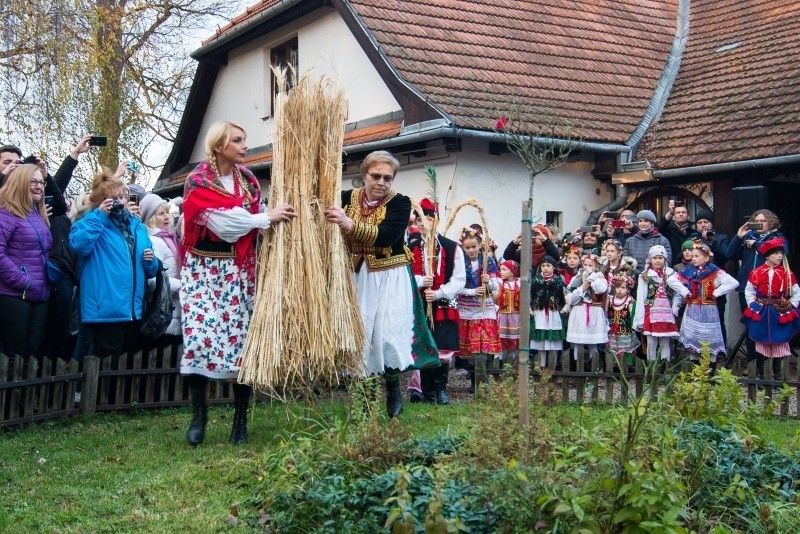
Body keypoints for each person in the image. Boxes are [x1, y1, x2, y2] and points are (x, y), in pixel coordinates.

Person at [179, 121, 296, 445]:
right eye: (238, 140)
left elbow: (247, 223)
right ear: (219, 146)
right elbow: (224, 225)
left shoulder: (248, 182)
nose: (245, 146)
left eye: (244, 140)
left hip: (238, 272)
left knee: (241, 346)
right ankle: (199, 416)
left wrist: (264, 218)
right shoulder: (198, 180)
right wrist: (262, 218)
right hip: (203, 270)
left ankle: (240, 422)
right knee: (200, 340)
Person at [325, 150, 437, 417]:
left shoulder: (400, 203)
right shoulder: (344, 198)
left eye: (388, 177)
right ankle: (364, 397)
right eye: (376, 176)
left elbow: (387, 235)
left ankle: (393, 387)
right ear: (364, 175)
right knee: (361, 333)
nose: (382, 182)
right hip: (356, 274)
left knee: (387, 334)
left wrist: (349, 224)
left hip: (391, 274)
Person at [70, 169, 158, 359]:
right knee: (107, 362)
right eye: (113, 198)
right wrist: (99, 215)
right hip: (105, 309)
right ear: (101, 201)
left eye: (122, 196)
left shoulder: (137, 226)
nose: (120, 201)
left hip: (133, 310)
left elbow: (151, 270)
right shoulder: (89, 222)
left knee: (126, 363)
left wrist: (150, 262)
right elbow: (79, 245)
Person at [407, 198, 466, 405]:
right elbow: (403, 274)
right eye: (420, 220)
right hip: (420, 304)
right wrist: (422, 281)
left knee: (443, 348)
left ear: (436, 220)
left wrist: (440, 292)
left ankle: (441, 391)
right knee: (424, 346)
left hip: (443, 304)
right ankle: (428, 392)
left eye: (429, 218)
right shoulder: (411, 246)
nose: (423, 223)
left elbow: (460, 278)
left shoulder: (451, 247)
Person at [725, 209, 788, 366]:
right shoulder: (748, 237)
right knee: (752, 326)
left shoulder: (777, 238)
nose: (759, 224)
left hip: (769, 291)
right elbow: (729, 254)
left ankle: (772, 367)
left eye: (763, 221)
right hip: (746, 288)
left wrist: (757, 244)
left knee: (770, 326)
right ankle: (755, 365)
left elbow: (782, 255)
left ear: (771, 222)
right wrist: (738, 236)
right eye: (757, 221)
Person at [0, 164, 52, 356]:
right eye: (33, 181)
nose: (39, 186)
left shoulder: (37, 215)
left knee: (33, 355)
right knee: (15, 356)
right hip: (14, 295)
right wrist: (22, 280)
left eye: (41, 182)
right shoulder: (6, 213)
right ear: (20, 182)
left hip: (40, 294)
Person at [741, 238, 800, 380]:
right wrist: (752, 304)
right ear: (767, 256)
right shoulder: (756, 272)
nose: (780, 256)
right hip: (762, 311)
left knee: (780, 341)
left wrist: (791, 305)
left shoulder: (787, 273)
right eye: (776, 253)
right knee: (761, 342)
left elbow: (797, 292)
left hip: (778, 311)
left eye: (781, 253)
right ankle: (763, 376)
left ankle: (779, 376)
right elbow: (749, 291)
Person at [676, 240, 738, 369]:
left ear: (706, 257)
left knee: (708, 340)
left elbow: (733, 283)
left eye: (697, 256)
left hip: (708, 310)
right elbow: (672, 280)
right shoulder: (688, 270)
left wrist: (716, 292)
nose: (693, 259)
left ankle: (710, 372)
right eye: (692, 256)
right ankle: (697, 373)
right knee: (694, 339)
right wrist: (684, 291)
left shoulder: (714, 271)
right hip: (692, 308)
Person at [456, 226, 501, 392]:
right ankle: (474, 380)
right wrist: (472, 291)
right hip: (467, 308)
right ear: (463, 247)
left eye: (474, 246)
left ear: (480, 244)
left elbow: (497, 286)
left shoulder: (487, 261)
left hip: (484, 308)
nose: (471, 250)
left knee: (483, 344)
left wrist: (488, 281)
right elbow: (456, 287)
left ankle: (484, 378)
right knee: (471, 348)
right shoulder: (459, 261)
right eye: (467, 247)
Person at [632, 245, 689, 362]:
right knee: (651, 342)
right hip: (651, 312)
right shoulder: (645, 276)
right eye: (655, 258)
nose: (657, 261)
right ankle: (651, 366)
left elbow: (678, 292)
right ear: (650, 259)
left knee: (665, 341)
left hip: (666, 313)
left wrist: (675, 307)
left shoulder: (671, 274)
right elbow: (641, 296)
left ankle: (665, 366)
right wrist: (640, 318)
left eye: (660, 258)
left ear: (665, 259)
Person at [138, 193, 182, 341]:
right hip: (162, 309)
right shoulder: (153, 240)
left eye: (167, 212)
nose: (166, 217)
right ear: (150, 218)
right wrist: (181, 287)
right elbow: (152, 278)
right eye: (160, 213)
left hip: (175, 306)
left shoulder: (171, 238)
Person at [565, 252, 609, 363]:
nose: (587, 268)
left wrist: (592, 277)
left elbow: (601, 290)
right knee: (577, 342)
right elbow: (570, 298)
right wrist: (583, 287)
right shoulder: (577, 278)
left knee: (593, 342)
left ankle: (593, 364)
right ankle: (577, 364)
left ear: (597, 267)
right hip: (579, 312)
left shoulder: (601, 278)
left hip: (595, 312)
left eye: (591, 265)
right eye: (586, 265)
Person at [530, 255, 567, 368]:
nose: (545, 268)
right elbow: (530, 295)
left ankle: (552, 366)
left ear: (554, 267)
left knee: (553, 342)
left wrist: (562, 308)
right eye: (543, 266)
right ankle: (541, 366)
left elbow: (562, 297)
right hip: (540, 312)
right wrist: (530, 308)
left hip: (553, 312)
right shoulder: (536, 281)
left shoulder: (558, 281)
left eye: (548, 266)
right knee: (541, 342)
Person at [623, 210, 672, 279]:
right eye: (640, 221)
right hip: (634, 280)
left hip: (656, 280)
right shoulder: (629, 241)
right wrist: (639, 274)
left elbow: (667, 261)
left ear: (652, 223)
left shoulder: (662, 240)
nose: (643, 224)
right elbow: (625, 261)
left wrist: (650, 274)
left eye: (646, 221)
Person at [606, 274, 639, 369]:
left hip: (626, 331)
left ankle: (626, 366)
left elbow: (633, 317)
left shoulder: (631, 302)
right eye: (617, 287)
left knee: (625, 349)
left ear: (628, 290)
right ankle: (613, 366)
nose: (619, 289)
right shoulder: (610, 300)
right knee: (612, 348)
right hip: (612, 331)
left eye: (623, 287)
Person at [495, 259, 521, 367]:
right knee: (502, 339)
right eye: (501, 269)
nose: (501, 272)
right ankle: (499, 362)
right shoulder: (500, 283)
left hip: (516, 316)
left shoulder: (519, 283)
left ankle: (513, 363)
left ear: (512, 271)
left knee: (514, 340)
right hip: (502, 316)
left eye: (504, 269)